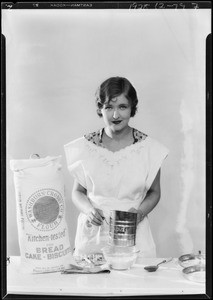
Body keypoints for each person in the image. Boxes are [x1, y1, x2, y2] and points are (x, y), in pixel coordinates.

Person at [64, 76, 169, 258]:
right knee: (91, 282)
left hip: (133, 232)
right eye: (109, 107)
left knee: (133, 282)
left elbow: (154, 192)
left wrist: (139, 214)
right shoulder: (86, 147)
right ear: (100, 109)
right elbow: (78, 192)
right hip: (93, 235)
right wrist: (88, 210)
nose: (115, 115)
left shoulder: (148, 149)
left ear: (132, 108)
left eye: (122, 107)